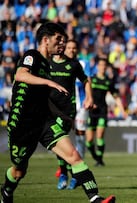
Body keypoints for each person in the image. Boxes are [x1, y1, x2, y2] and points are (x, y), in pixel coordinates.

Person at [0, 22, 115, 203]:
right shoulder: (33, 55)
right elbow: (20, 75)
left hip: (44, 121)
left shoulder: (47, 65)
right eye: (58, 39)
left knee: (74, 156)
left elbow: (45, 99)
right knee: (19, 170)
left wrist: (61, 116)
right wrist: (49, 83)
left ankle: (95, 199)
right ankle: (6, 191)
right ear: (46, 40)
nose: (62, 43)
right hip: (22, 123)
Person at [49, 39, 94, 190]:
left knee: (80, 137)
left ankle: (75, 174)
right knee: (61, 139)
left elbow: (87, 80)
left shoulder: (80, 64)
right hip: (55, 107)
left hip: (78, 106)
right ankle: (65, 172)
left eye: (74, 48)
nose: (72, 50)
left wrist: (89, 97)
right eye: (69, 48)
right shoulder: (50, 62)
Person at [86, 57, 122, 167]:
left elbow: (116, 96)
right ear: (97, 67)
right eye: (101, 65)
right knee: (89, 140)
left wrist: (122, 109)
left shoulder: (108, 81)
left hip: (102, 110)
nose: (103, 67)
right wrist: (88, 101)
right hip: (92, 111)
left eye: (104, 66)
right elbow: (87, 92)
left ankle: (100, 160)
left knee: (100, 135)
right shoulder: (91, 79)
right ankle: (95, 156)